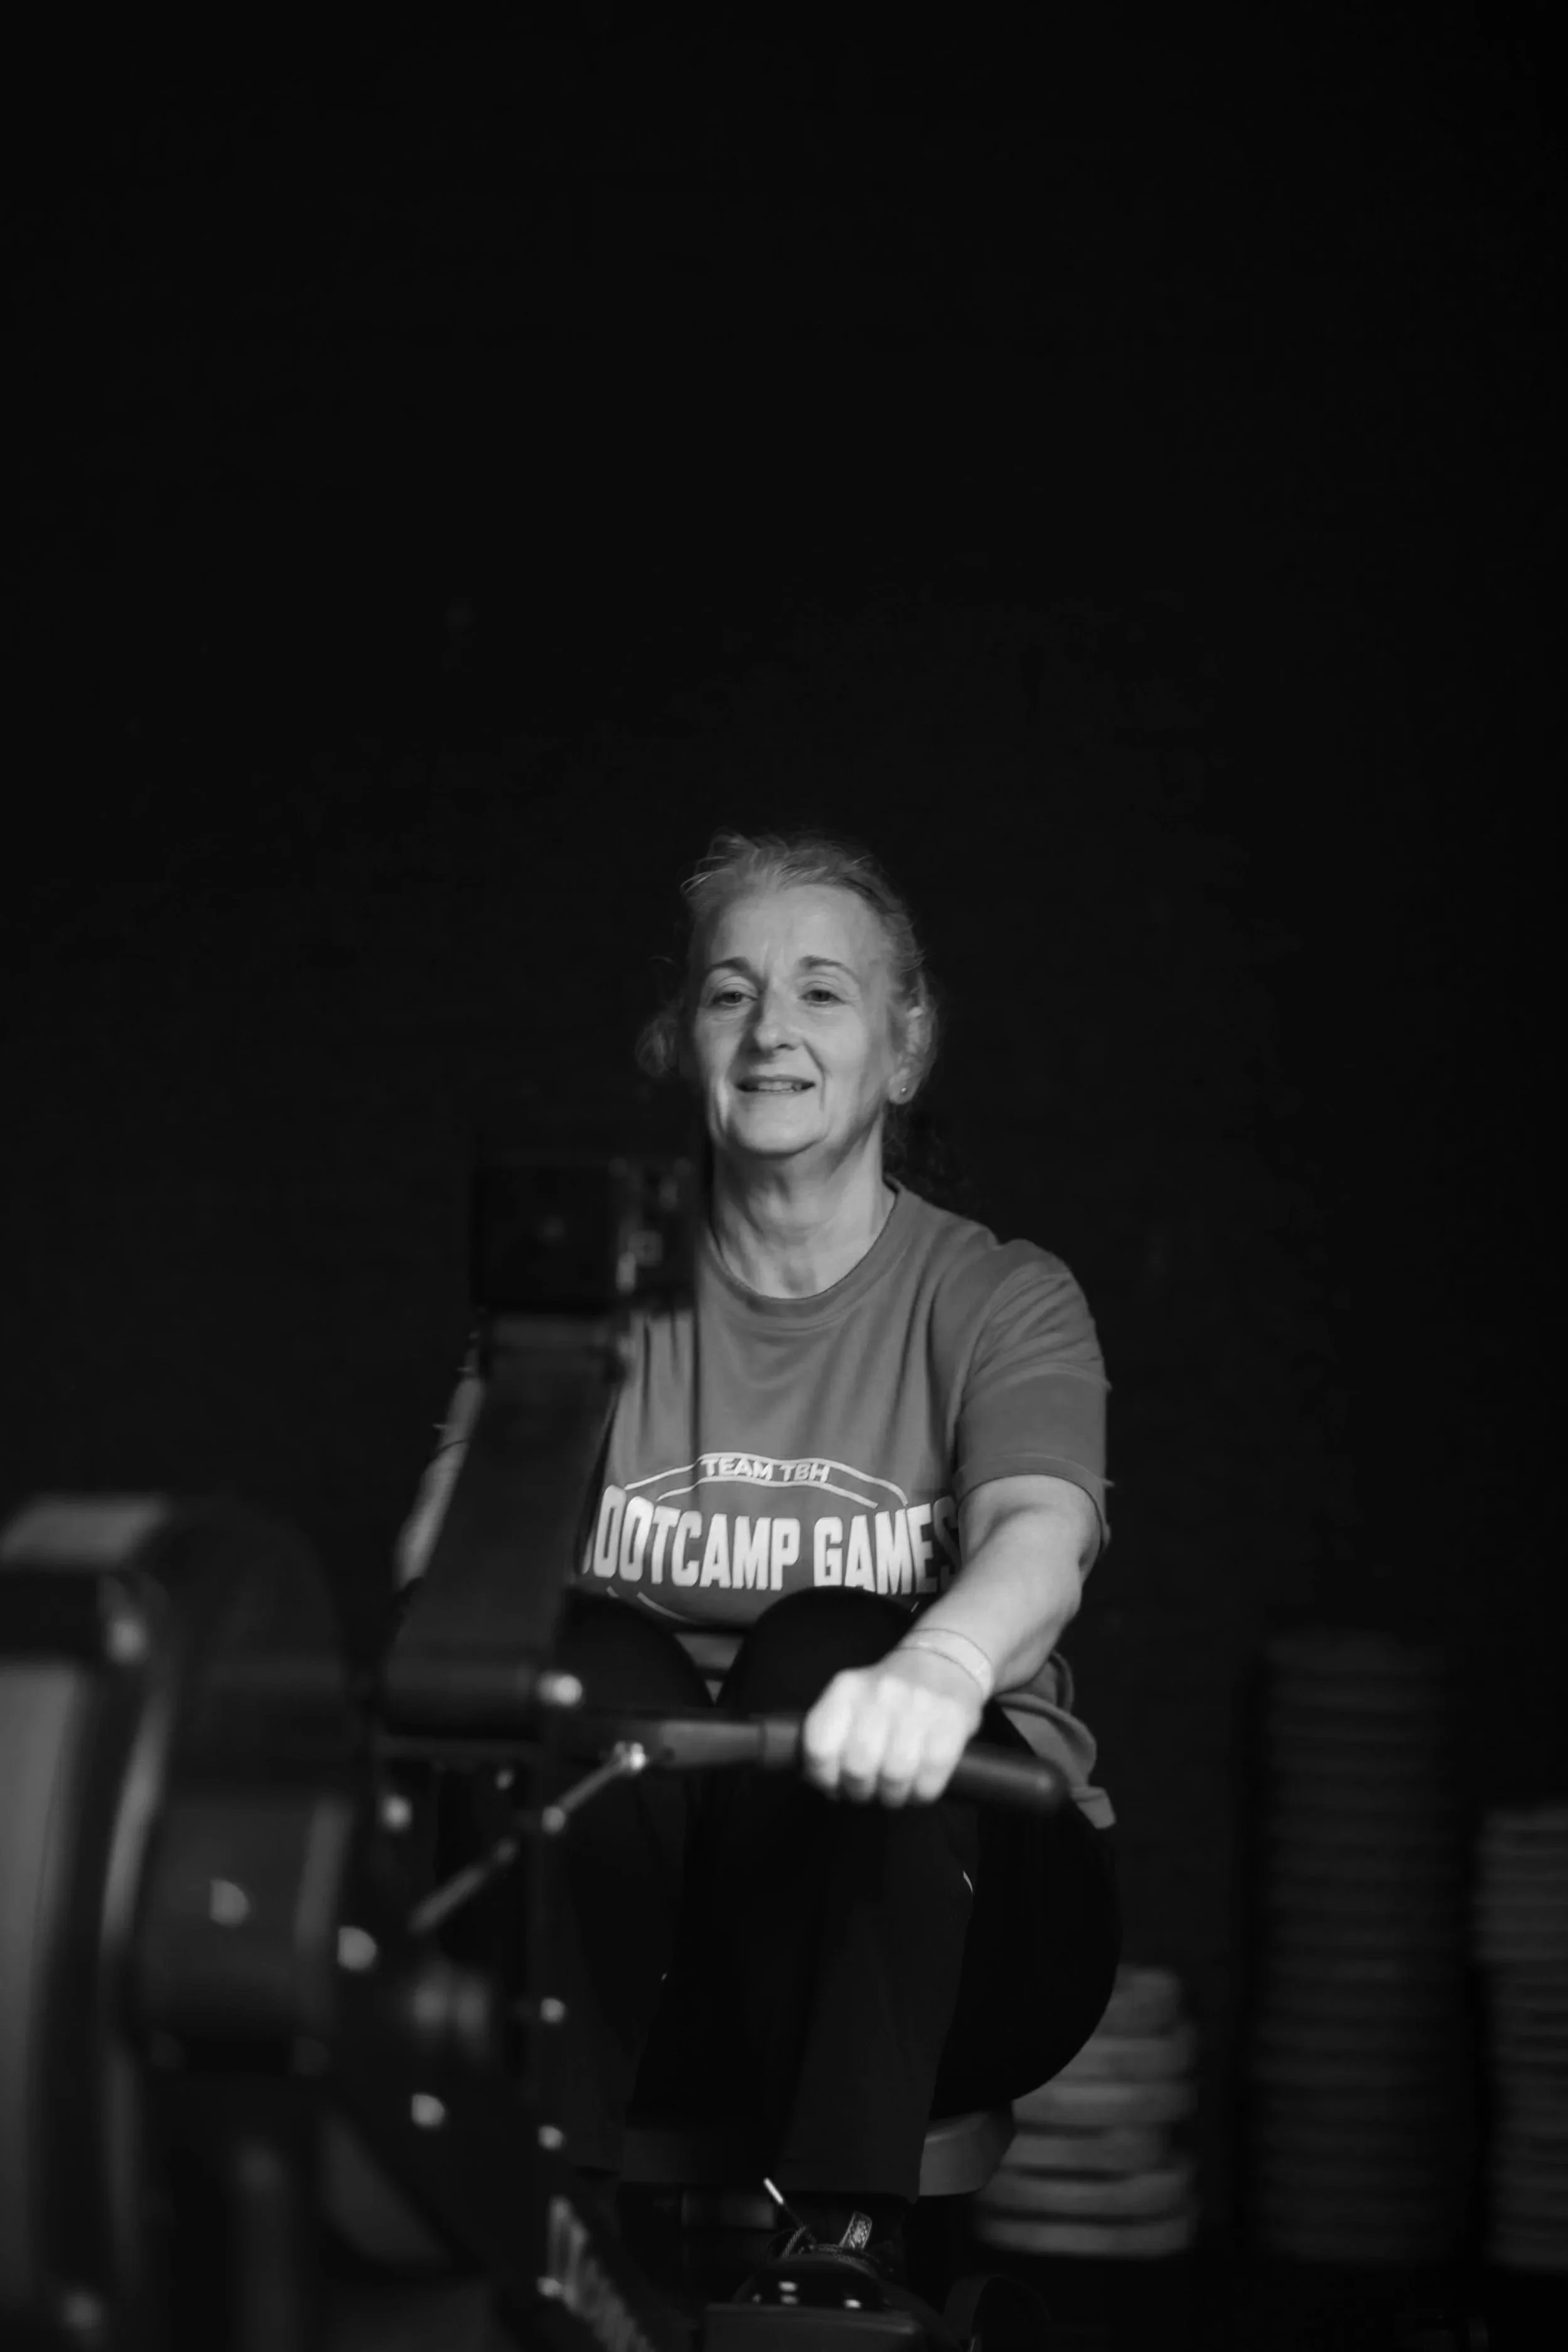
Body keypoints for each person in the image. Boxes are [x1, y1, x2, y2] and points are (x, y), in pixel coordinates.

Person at [394, 829, 1120, 2289]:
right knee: (583, 1662)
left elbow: (1038, 1533)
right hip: (631, 1956)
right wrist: (535, 1388)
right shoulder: (591, 1294)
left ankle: (835, 2249)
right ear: (682, 1042)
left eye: (822, 993)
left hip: (953, 1945)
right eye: (730, 994)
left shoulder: (996, 1294)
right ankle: (555, 2254)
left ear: (903, 1049)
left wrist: (936, 1667)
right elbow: (445, 1573)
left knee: (832, 1642)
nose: (771, 1029)